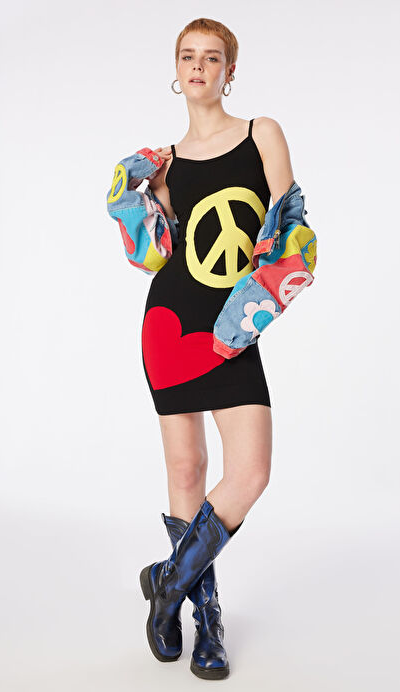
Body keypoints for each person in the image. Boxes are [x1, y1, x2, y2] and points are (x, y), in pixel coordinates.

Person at [136, 17, 297, 680]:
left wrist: (249, 317)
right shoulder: (166, 164)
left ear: (230, 71)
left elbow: (290, 229)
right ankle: (205, 620)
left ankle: (167, 582)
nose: (199, 66)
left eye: (212, 57)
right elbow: (158, 257)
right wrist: (132, 195)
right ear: (177, 72)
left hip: (234, 325)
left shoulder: (262, 134)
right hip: (171, 320)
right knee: (186, 470)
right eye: (188, 57)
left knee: (249, 473)